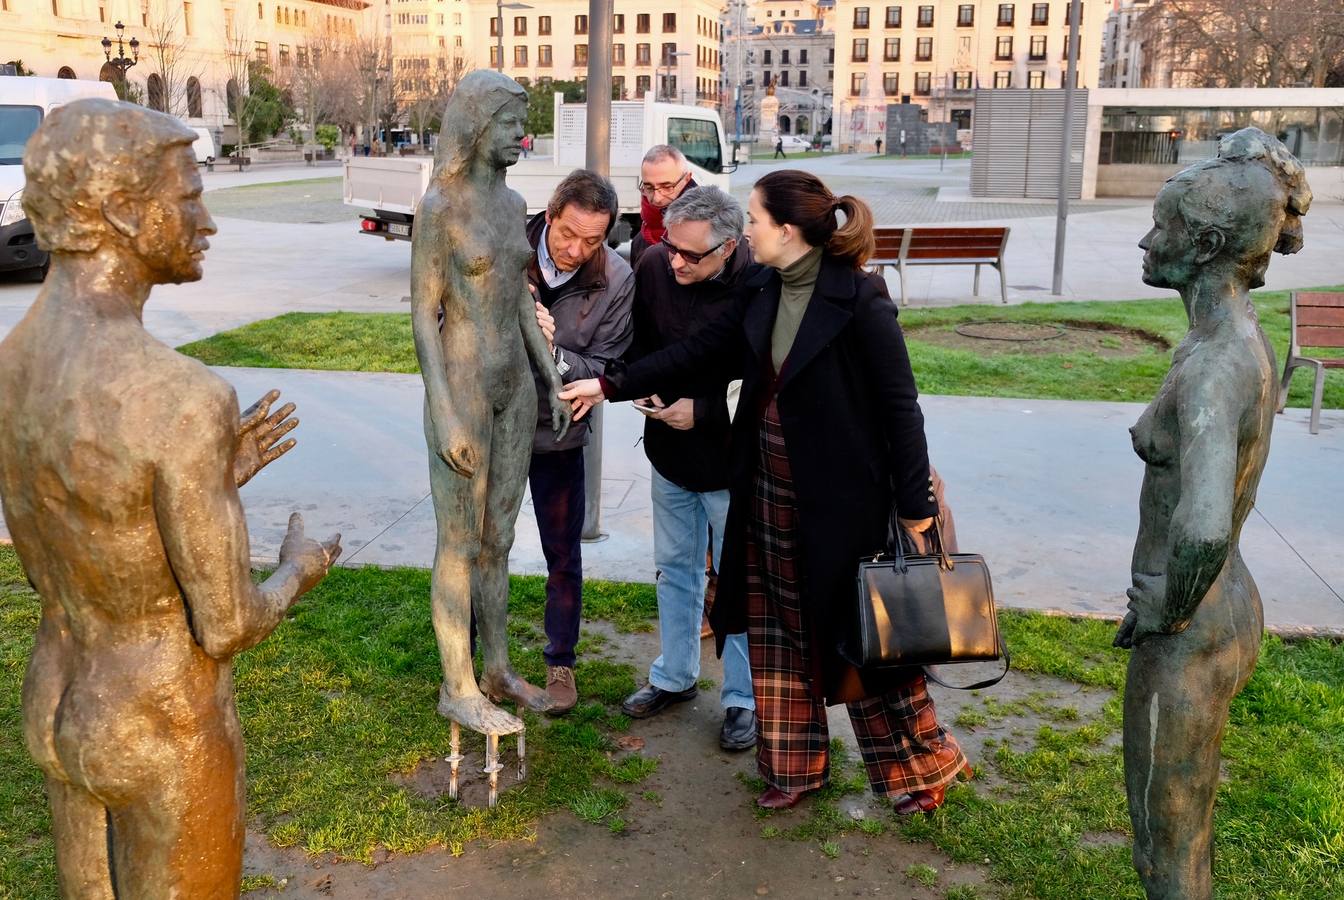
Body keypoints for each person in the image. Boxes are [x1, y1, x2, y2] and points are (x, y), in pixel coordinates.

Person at [0, 98, 340, 894]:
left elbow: (71, 532)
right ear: (121, 209)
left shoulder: (12, 363)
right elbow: (225, 625)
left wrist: (206, 480)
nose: (207, 222)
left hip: (56, 698)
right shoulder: (183, 399)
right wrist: (298, 569)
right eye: (189, 197)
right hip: (159, 721)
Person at [560, 169, 970, 814]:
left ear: (786, 229)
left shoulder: (860, 298)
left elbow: (901, 408)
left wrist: (916, 506)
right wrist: (607, 385)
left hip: (844, 501)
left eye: (754, 219)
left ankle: (922, 769)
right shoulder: (762, 287)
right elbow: (695, 353)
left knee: (866, 637)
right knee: (778, 634)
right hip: (768, 488)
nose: (748, 230)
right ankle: (795, 768)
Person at [1114, 128, 1311, 900]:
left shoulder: (1214, 367)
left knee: (1164, 850)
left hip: (1192, 626)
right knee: (1184, 832)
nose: (1144, 238)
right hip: (1225, 601)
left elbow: (1199, 522)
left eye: (1163, 225)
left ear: (1207, 244)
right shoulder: (1233, 338)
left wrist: (1165, 597)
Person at [410, 70, 573, 734]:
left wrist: (552, 377)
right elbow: (424, 317)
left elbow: (524, 304)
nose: (521, 136)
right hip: (465, 384)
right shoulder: (438, 208)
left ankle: (498, 668)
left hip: (516, 386)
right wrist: (444, 410)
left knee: (499, 539)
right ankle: (457, 685)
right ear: (478, 127)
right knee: (459, 539)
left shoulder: (513, 206)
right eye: (510, 124)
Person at [619, 186, 758, 751]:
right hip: (669, 456)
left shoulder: (758, 282)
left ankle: (743, 699)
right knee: (674, 569)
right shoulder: (655, 263)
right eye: (670, 246)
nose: (674, 260)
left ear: (728, 248)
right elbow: (641, 344)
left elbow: (764, 383)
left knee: (738, 582)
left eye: (690, 255)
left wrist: (699, 411)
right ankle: (674, 676)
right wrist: (638, 385)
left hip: (731, 464)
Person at [526, 170, 636, 714]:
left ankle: (560, 661)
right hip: (492, 426)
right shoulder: (505, 251)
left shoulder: (616, 277)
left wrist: (554, 352)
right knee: (478, 550)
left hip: (558, 434)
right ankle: (474, 658)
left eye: (592, 240)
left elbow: (610, 366)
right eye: (567, 233)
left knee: (563, 553)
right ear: (549, 216)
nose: (575, 250)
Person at [629, 144, 695, 271]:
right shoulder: (639, 241)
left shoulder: (709, 228)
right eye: (649, 187)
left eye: (667, 187)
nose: (657, 198)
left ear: (687, 179)